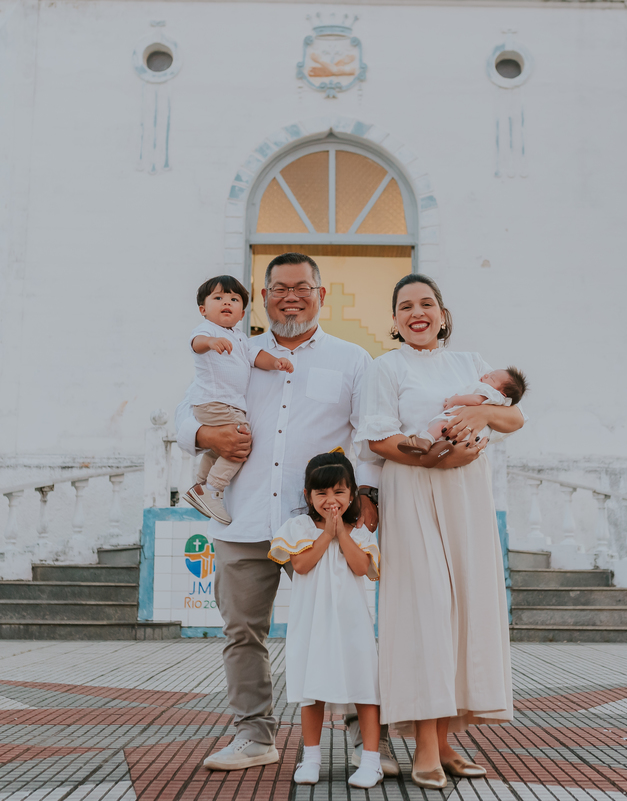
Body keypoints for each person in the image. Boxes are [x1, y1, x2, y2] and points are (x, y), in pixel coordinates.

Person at [174, 253, 398, 776]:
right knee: (242, 633)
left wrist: (369, 495)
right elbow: (189, 411)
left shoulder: (351, 360)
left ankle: (367, 745)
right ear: (264, 295)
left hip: (319, 525)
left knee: (346, 627)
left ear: (322, 294)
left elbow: (369, 436)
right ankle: (254, 737)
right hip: (243, 519)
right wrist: (207, 436)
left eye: (301, 287)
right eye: (278, 288)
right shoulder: (235, 351)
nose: (289, 296)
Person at [355, 274, 524, 789]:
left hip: (468, 498)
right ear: (395, 320)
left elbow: (513, 418)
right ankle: (424, 745)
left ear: (443, 315)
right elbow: (377, 438)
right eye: (405, 305)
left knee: (464, 612)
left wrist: (476, 413)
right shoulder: (385, 368)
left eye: (426, 303)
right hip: (413, 492)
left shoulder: (471, 364)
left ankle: (447, 740)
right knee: (424, 613)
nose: (417, 312)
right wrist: (434, 459)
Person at [268, 452, 383, 789]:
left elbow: (362, 568)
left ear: (351, 496)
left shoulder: (359, 531)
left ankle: (372, 761)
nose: (330, 500)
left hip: (353, 623)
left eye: (338, 492)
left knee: (364, 687)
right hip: (312, 623)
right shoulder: (298, 527)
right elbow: (301, 566)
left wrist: (342, 532)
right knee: (312, 690)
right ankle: (312, 758)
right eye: (321, 493)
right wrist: (327, 535)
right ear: (308, 496)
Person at [183, 275, 294, 524]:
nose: (227, 302)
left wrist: (276, 363)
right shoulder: (208, 331)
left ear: (242, 313)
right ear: (203, 309)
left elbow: (257, 356)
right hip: (214, 402)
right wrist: (211, 342)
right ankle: (212, 489)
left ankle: (199, 485)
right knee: (240, 441)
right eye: (219, 297)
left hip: (226, 404)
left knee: (220, 447)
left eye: (234, 299)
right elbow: (196, 343)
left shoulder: (240, 338)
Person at [397, 366, 527, 458]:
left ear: (502, 393)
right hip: (471, 434)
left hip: (461, 421)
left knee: (441, 426)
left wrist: (455, 399)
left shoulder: (491, 392)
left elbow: (476, 400)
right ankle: (436, 455)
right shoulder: (500, 400)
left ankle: (423, 440)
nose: (486, 374)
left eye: (492, 378)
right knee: (446, 443)